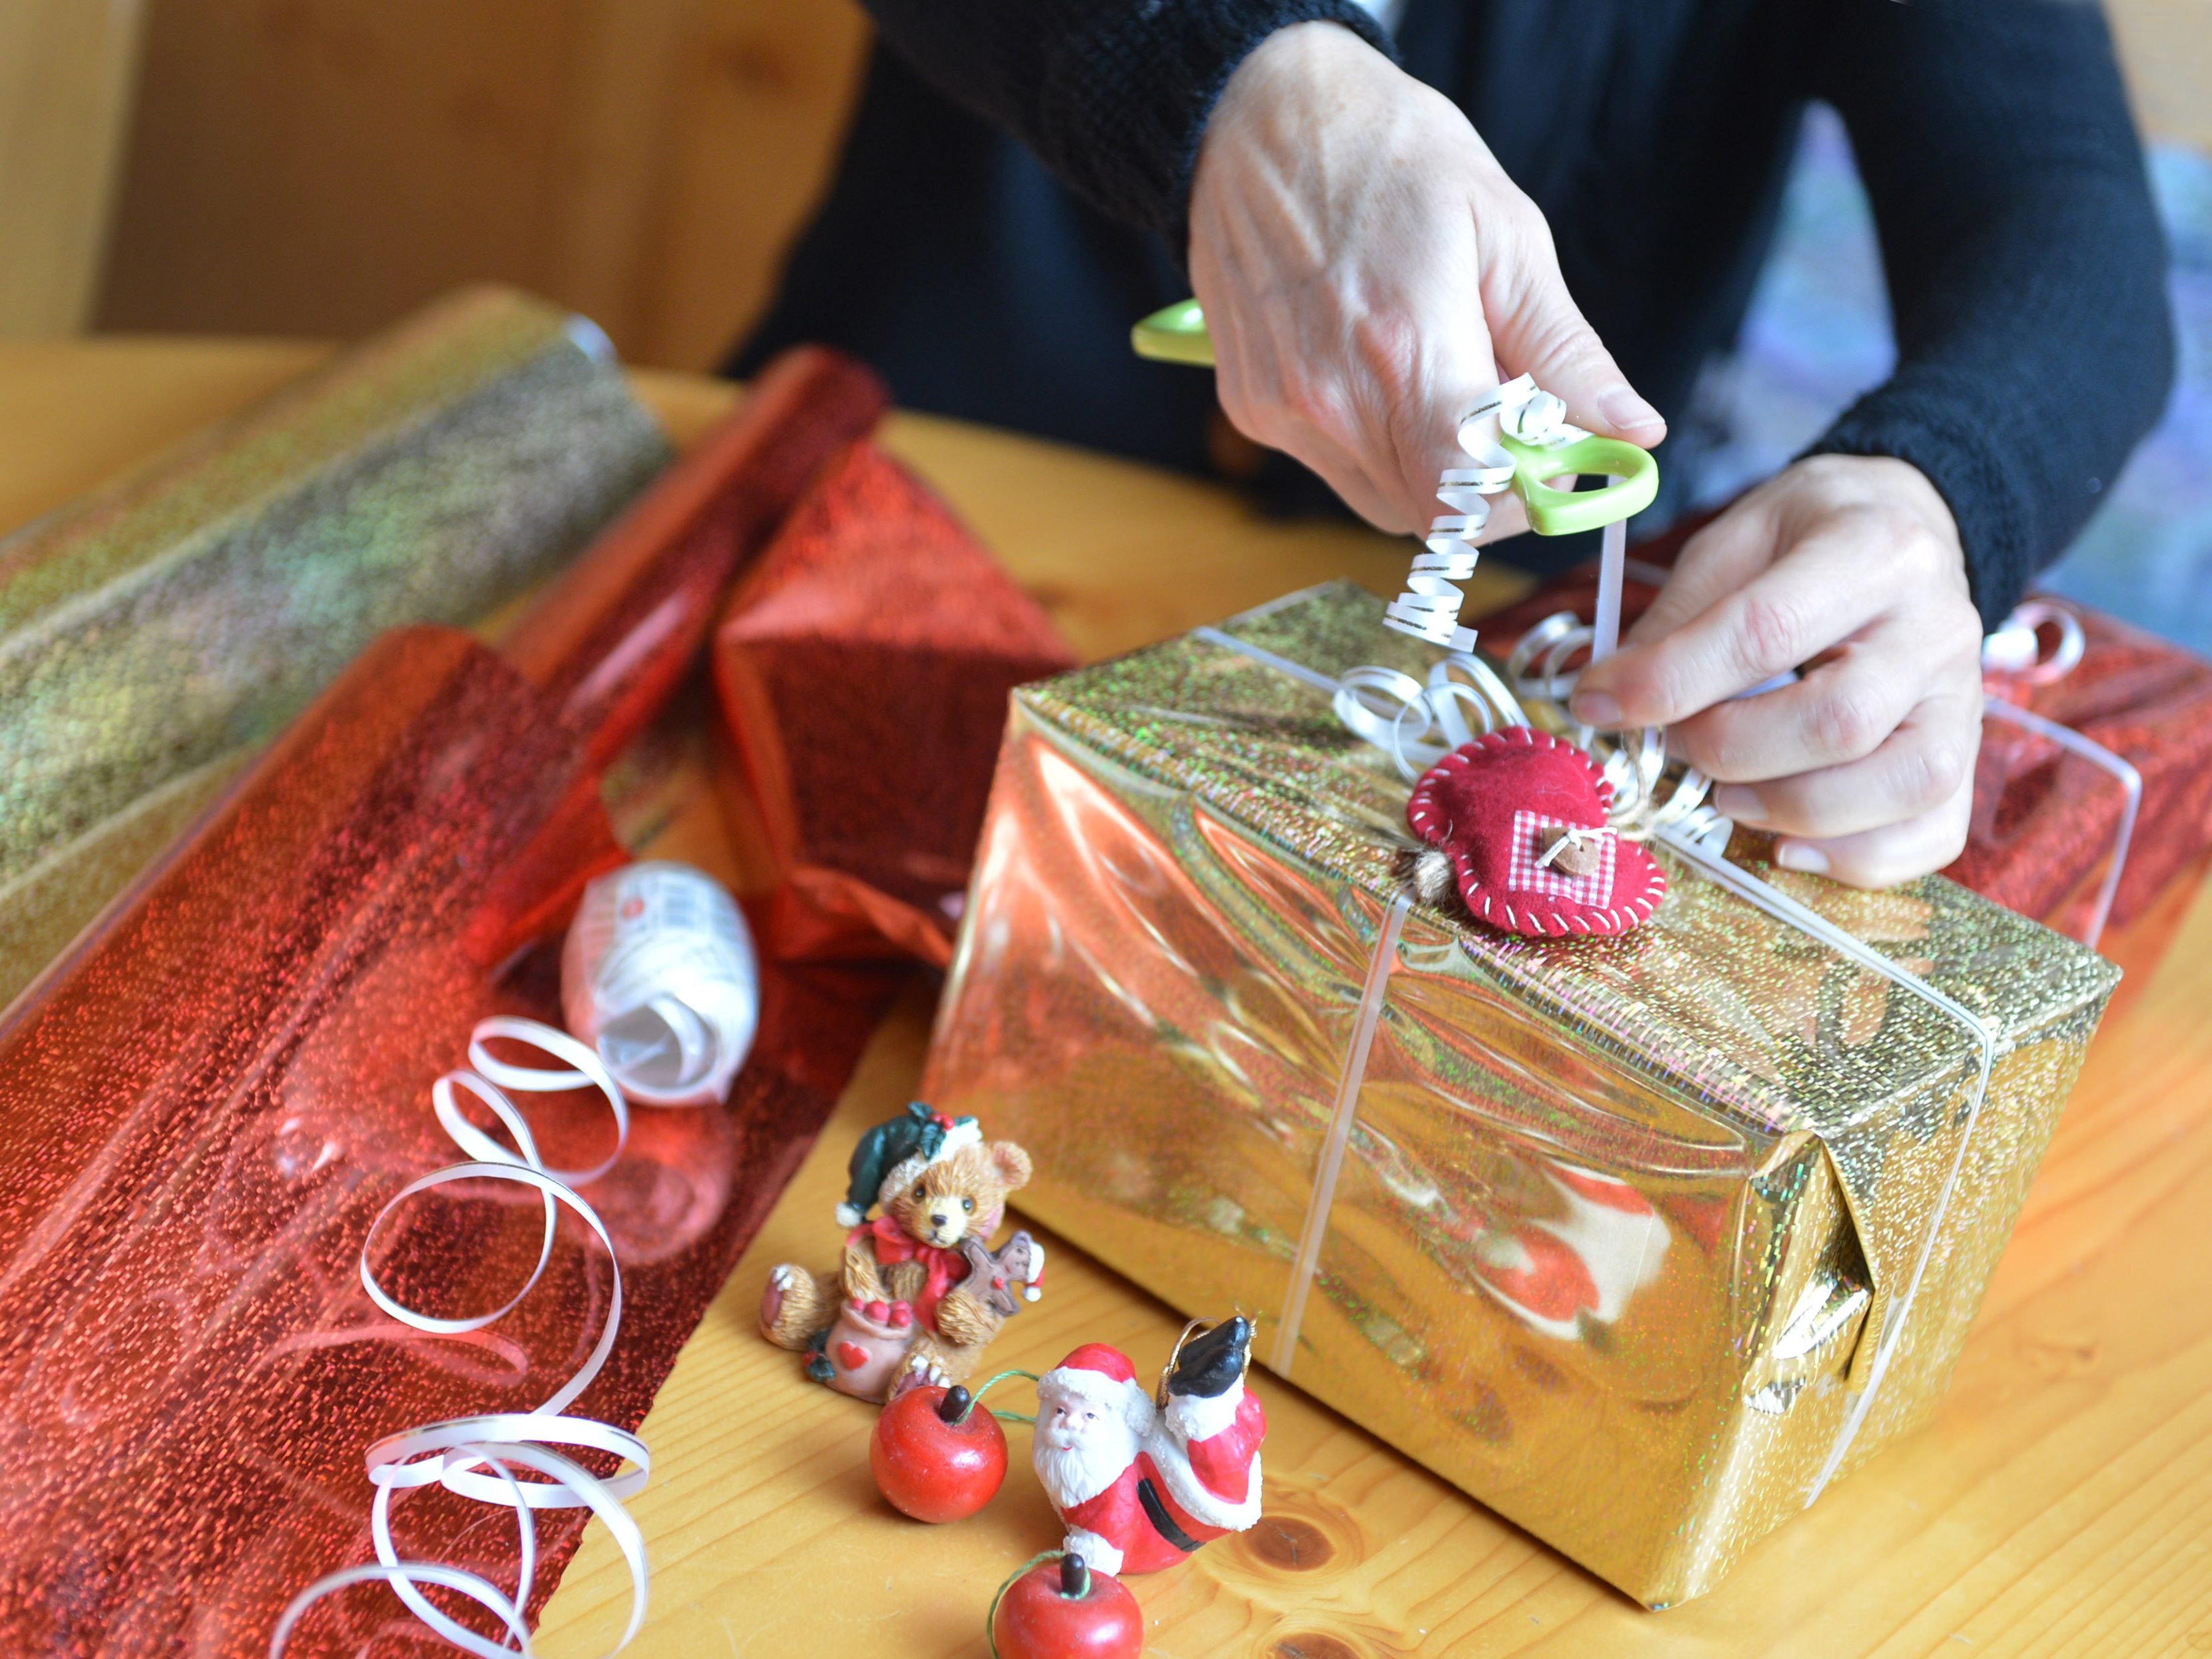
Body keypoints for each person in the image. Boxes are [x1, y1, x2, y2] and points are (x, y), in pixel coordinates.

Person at [737, 1, 2174, 889]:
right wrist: (1226, 72)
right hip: (878, 542)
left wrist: (1938, 488)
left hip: (1454, 703)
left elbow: (2060, 217)